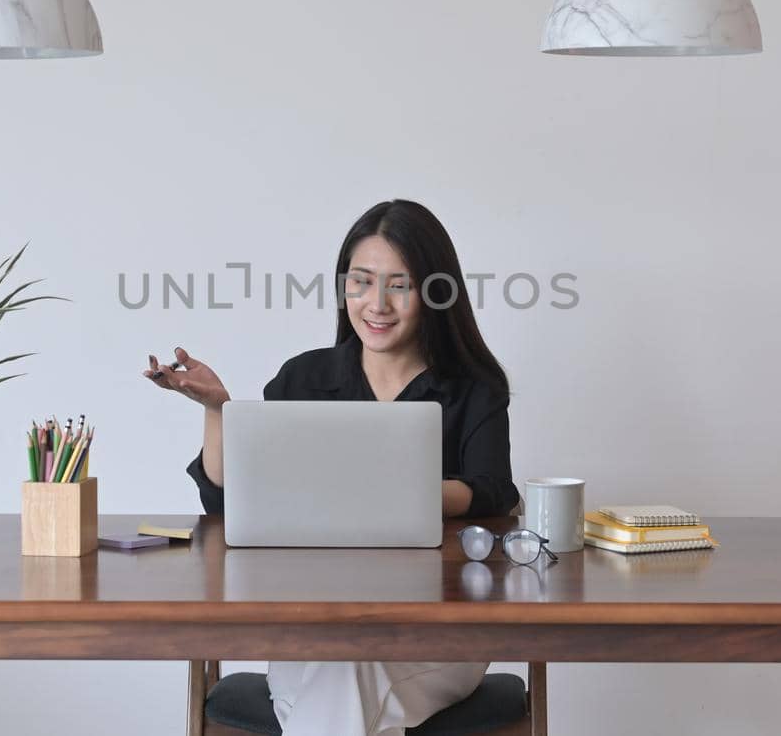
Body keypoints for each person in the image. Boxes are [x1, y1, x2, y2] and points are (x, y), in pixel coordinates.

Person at [143, 198, 519, 736]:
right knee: (342, 671)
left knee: (342, 681)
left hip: (438, 635)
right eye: (361, 282)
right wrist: (217, 410)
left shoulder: (474, 390)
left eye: (400, 285)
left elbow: (493, 492)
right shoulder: (303, 379)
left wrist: (407, 494)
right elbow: (232, 501)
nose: (377, 303)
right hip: (311, 629)